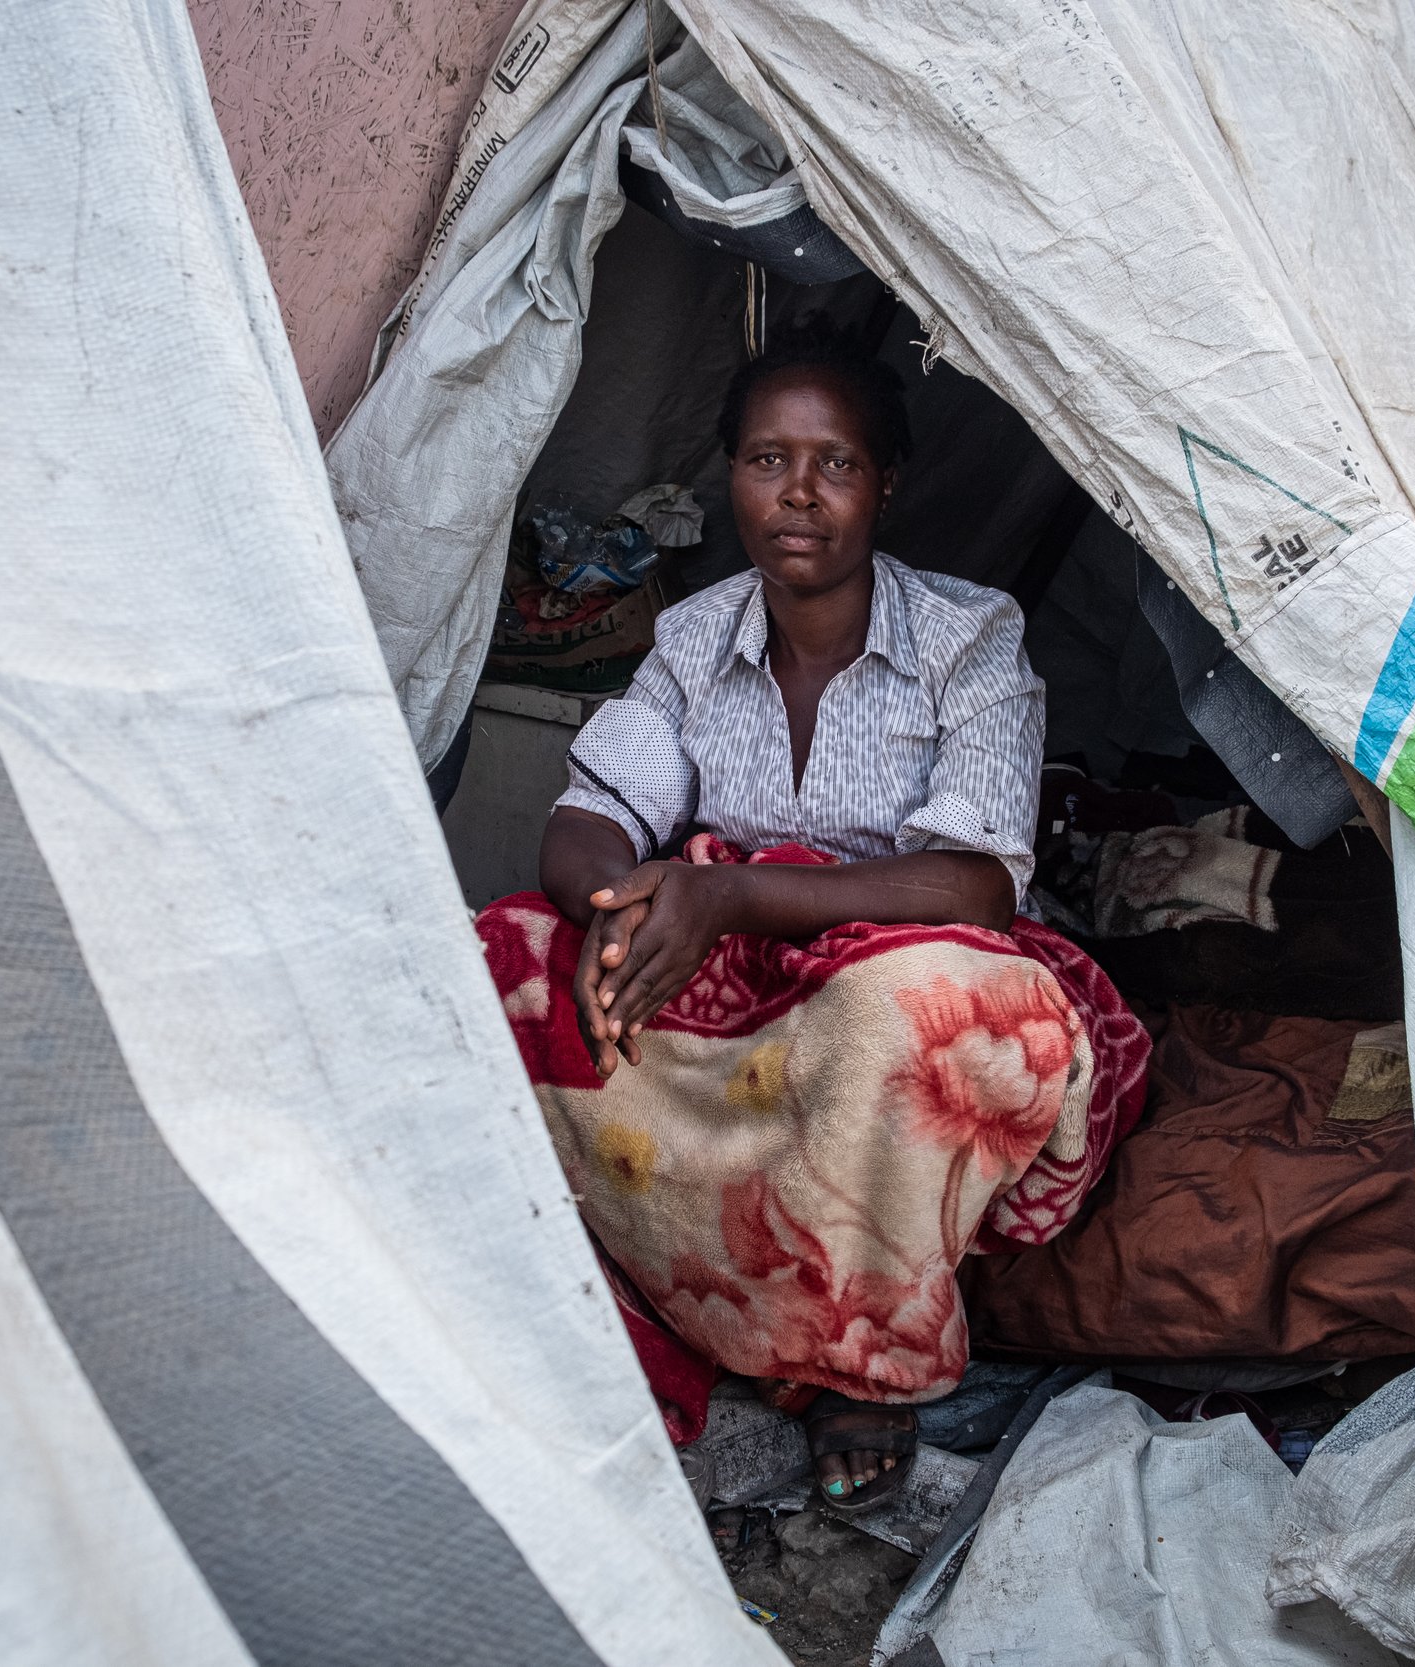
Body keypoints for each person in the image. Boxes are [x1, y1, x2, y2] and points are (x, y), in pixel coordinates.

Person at [475, 320, 1147, 1509]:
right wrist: (618, 908)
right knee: (509, 949)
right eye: (765, 459)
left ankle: (869, 1361)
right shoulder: (692, 637)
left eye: (834, 463)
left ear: (886, 484)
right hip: (739, 975)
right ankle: (650, 1282)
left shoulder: (971, 638)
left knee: (914, 1007)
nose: (797, 493)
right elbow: (589, 815)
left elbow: (975, 887)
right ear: (730, 472)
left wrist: (732, 886)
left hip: (905, 961)